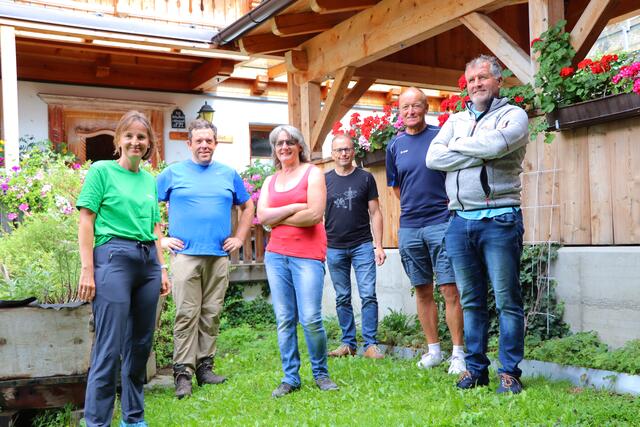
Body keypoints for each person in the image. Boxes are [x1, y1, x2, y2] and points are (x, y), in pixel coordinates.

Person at [426, 55, 529, 394]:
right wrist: (479, 151)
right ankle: (475, 370)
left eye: (483, 77)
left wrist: (458, 150)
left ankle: (510, 373)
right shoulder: (455, 119)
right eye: (471, 80)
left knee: (507, 301)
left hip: (499, 219)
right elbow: (432, 158)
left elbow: (499, 144)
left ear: (498, 81)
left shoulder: (514, 115)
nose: (477, 84)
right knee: (471, 301)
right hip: (459, 222)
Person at [77, 110, 171, 427]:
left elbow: (155, 227)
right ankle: (96, 421)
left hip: (146, 263)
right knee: (109, 345)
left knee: (140, 346)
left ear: (149, 144)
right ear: (118, 140)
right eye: (129, 135)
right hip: (113, 258)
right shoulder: (101, 172)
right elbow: (86, 219)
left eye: (141, 137)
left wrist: (162, 268)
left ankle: (133, 417)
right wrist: (87, 270)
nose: (135, 141)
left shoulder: (149, 180)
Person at [156, 119, 254, 399]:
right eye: (198, 141)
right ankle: (183, 374)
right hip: (185, 256)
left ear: (215, 144)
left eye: (208, 141)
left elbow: (248, 206)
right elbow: (149, 206)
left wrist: (239, 238)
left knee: (211, 313)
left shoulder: (228, 174)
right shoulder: (172, 173)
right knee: (186, 314)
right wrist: (161, 239)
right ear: (189, 144)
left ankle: (205, 368)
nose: (204, 146)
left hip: (218, 256)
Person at [386, 87, 466, 375]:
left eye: (416, 106)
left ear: (425, 107)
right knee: (422, 290)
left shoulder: (440, 137)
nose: (410, 111)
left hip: (442, 222)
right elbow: (396, 187)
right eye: (405, 107)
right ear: (399, 111)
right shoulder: (394, 146)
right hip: (409, 228)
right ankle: (434, 351)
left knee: (450, 289)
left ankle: (459, 354)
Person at [257, 124, 338, 398]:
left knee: (312, 319)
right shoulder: (270, 181)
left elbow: (314, 215)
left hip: (308, 255)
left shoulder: (313, 173)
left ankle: (321, 374)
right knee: (284, 319)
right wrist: (293, 207)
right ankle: (291, 377)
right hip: (276, 255)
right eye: (279, 143)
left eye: (290, 142)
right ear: (274, 149)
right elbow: (262, 217)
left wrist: (276, 217)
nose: (284, 147)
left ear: (299, 146)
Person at [325, 133, 386, 360]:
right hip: (334, 247)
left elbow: (376, 212)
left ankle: (370, 345)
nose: (343, 153)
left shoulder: (365, 178)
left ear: (353, 151)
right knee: (342, 297)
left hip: (362, 245)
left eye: (347, 149)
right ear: (332, 154)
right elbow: (316, 215)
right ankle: (348, 344)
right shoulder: (324, 180)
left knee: (368, 295)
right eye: (339, 150)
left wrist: (378, 246)